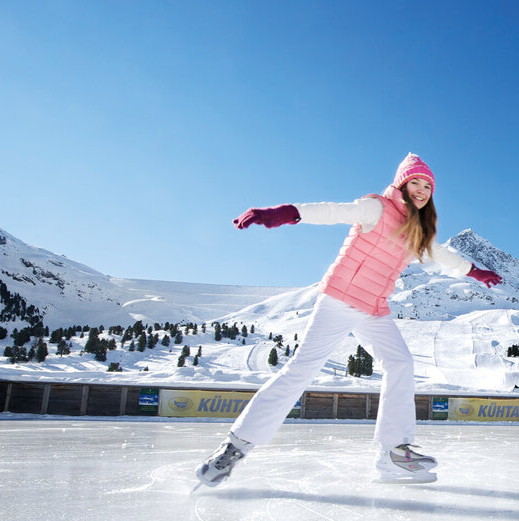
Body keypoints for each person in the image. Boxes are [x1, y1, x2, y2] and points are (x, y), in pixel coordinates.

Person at [197, 153, 502, 486]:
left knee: (400, 363)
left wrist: (474, 272)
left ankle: (393, 454)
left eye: (427, 185)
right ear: (401, 184)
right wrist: (286, 213)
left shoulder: (419, 231)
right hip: (339, 300)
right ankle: (234, 447)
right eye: (415, 182)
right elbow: (333, 211)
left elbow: (441, 255)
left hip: (373, 308)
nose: (421, 189)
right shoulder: (377, 208)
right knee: (301, 370)